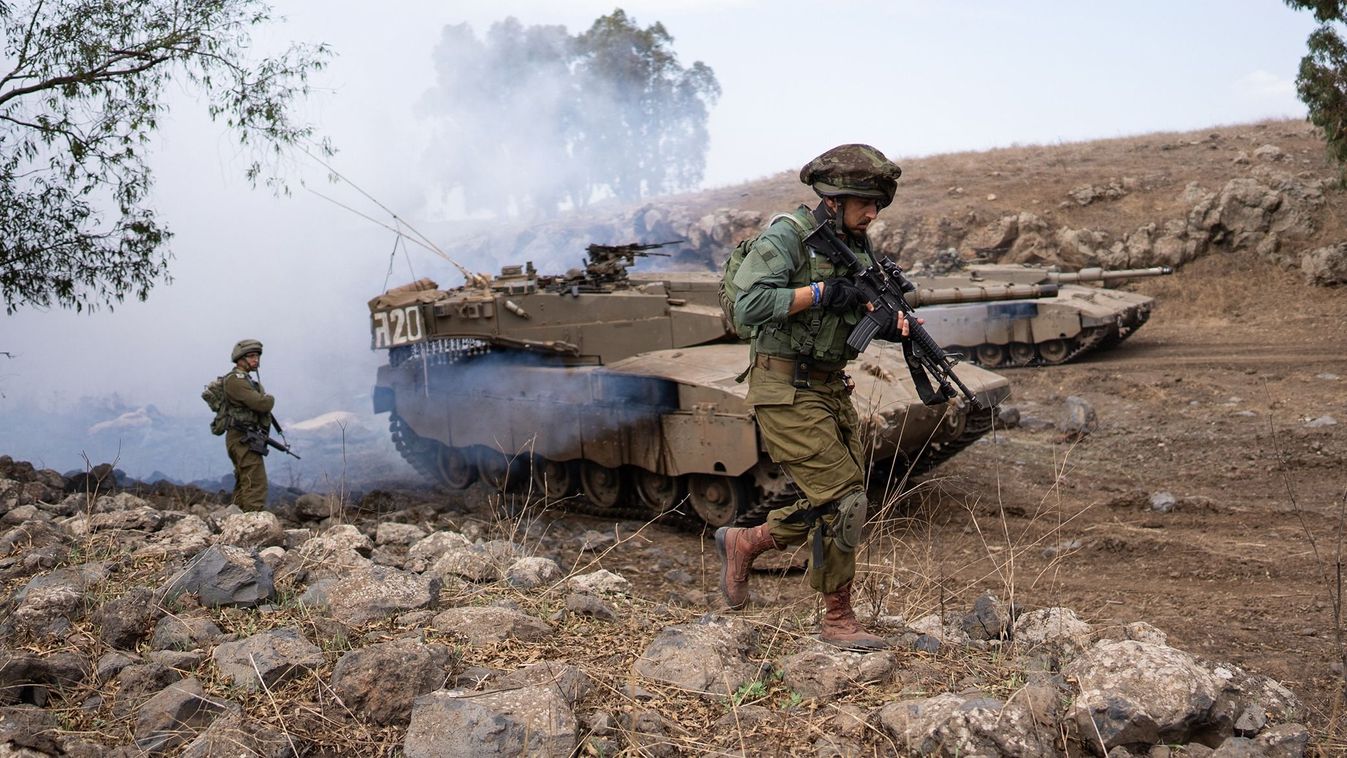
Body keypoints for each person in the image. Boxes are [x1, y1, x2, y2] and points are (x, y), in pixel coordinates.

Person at [716, 144, 911, 651]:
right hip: (783, 386)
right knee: (844, 497)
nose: (872, 213)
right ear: (833, 199)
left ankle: (746, 542)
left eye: (878, 205)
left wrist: (889, 322)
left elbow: (850, 316)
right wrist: (823, 293)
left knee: (833, 499)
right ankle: (838, 620)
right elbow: (748, 306)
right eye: (865, 203)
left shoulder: (855, 244)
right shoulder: (787, 238)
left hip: (828, 386)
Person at [222, 339, 275, 510]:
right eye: (251, 356)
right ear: (240, 358)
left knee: (245, 479)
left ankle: (236, 520)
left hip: (246, 436)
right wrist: (269, 399)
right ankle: (253, 523)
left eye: (257, 356)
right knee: (255, 481)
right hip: (241, 436)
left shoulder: (247, 381)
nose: (256, 360)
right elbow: (261, 404)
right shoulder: (235, 380)